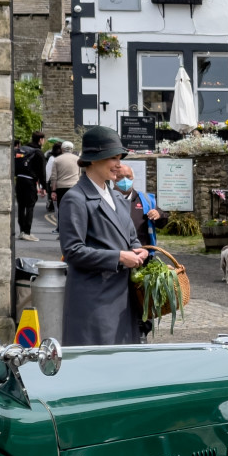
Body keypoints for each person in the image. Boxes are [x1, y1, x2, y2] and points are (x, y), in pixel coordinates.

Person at [58, 126, 148, 346]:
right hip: (94, 303)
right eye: (113, 158)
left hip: (123, 301)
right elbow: (72, 251)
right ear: (93, 160)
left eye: (119, 158)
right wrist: (118, 257)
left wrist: (140, 250)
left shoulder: (116, 197)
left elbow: (130, 238)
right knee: (97, 370)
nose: (118, 164)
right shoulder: (75, 198)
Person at [116, 163, 168, 247]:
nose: (125, 180)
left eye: (128, 177)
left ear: (133, 178)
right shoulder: (107, 199)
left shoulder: (146, 200)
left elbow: (162, 223)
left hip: (141, 252)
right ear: (113, 179)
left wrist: (159, 215)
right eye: (120, 177)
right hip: (116, 253)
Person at [14, 130, 48, 241]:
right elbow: (42, 172)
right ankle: (27, 232)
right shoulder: (38, 153)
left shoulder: (23, 149)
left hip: (19, 180)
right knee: (30, 206)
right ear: (40, 140)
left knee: (21, 206)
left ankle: (22, 231)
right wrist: (44, 187)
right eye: (43, 139)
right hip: (30, 182)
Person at [50, 141, 81, 221]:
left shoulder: (57, 160)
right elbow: (79, 174)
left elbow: (54, 177)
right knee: (74, 208)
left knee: (62, 208)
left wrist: (53, 191)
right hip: (75, 187)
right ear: (72, 149)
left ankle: (62, 227)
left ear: (62, 149)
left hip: (61, 188)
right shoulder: (77, 159)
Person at [44, 141, 62, 212]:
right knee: (52, 195)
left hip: (56, 180)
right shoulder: (52, 158)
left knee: (53, 195)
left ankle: (52, 206)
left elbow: (48, 171)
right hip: (54, 180)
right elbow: (48, 171)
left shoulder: (53, 158)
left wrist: (46, 181)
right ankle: (51, 205)